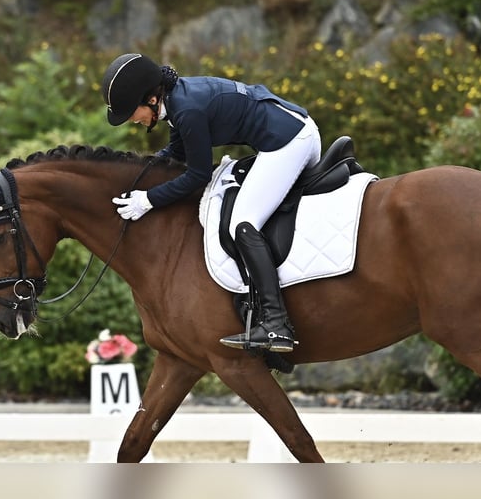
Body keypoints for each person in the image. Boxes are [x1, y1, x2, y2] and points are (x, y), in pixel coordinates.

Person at [101, 53, 321, 353]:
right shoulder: (178, 100)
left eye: (132, 112)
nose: (133, 120)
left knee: (242, 223)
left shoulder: (187, 110)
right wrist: (141, 174)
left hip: (288, 142)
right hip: (288, 129)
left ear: (151, 99)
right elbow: (177, 151)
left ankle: (276, 324)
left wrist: (149, 200)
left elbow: (197, 175)